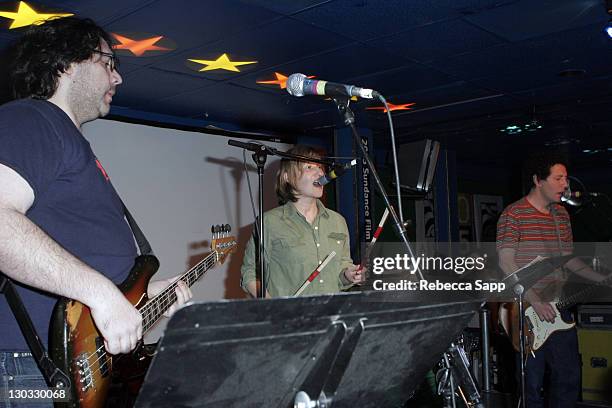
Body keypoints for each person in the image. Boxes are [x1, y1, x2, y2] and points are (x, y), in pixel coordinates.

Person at [0, 17, 191, 405]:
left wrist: (141, 295)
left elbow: (81, 250)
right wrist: (102, 295)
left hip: (70, 362)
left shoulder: (71, 141)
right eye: (108, 62)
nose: (117, 78)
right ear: (68, 63)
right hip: (33, 367)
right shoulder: (32, 119)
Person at [496, 152, 606, 407]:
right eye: (558, 178)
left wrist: (601, 277)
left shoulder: (561, 216)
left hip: (559, 307)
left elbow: (567, 258)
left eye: (565, 179)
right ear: (538, 180)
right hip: (527, 311)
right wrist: (534, 300)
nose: (565, 185)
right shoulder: (514, 215)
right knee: (531, 385)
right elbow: (506, 262)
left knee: (568, 379)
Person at [240, 145, 363, 298]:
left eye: (320, 167)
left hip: (331, 314)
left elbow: (342, 271)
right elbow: (249, 274)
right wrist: (271, 306)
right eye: (309, 167)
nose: (319, 172)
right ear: (287, 177)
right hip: (290, 317)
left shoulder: (338, 221)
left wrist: (349, 275)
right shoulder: (270, 222)